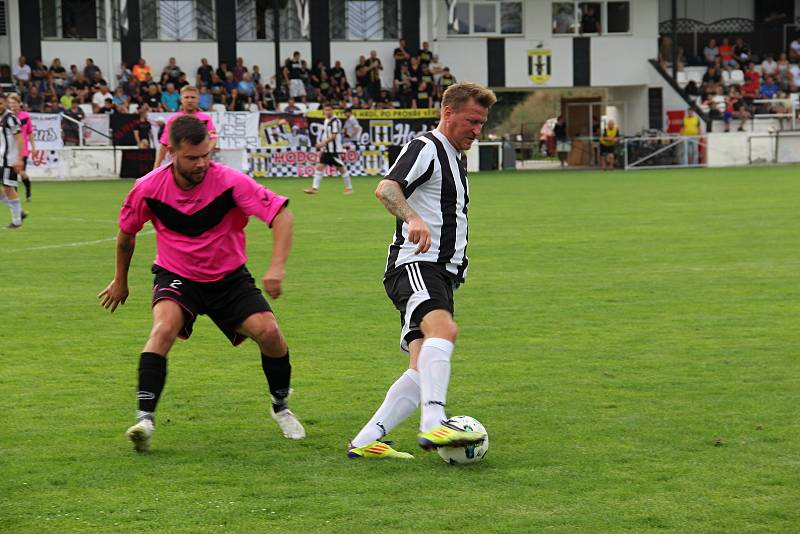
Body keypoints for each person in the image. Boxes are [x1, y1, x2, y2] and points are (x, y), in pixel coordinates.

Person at [98, 115, 305, 452]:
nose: (202, 163)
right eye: (192, 158)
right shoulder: (148, 188)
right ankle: (144, 420)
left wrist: (276, 268)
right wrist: (120, 280)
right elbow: (126, 235)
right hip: (177, 276)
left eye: (206, 155)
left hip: (229, 278)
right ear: (172, 153)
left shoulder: (230, 181)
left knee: (270, 333)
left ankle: (280, 406)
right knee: (163, 329)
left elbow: (282, 215)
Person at [347, 83, 495, 459]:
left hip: (440, 272)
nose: (478, 130)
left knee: (420, 365)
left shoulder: (455, 159)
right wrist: (413, 218)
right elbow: (386, 189)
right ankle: (434, 423)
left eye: (482, 123)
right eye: (472, 121)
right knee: (443, 330)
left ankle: (365, 440)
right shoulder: (426, 147)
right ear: (448, 113)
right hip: (415, 264)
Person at [153, 85, 217, 169]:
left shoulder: (206, 119)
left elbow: (213, 138)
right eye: (186, 97)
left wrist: (205, 152)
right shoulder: (173, 120)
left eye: (193, 97)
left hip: (201, 164)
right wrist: (156, 166)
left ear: (198, 99)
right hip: (179, 165)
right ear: (181, 99)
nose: (189, 100)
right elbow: (164, 143)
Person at [304, 103, 353, 195]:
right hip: (327, 149)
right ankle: (314, 188)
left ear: (332, 110)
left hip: (334, 150)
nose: (327, 112)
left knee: (341, 168)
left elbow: (333, 136)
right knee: (319, 167)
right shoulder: (326, 120)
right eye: (326, 110)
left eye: (329, 110)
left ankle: (349, 189)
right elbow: (326, 135)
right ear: (323, 111)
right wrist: (324, 147)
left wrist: (322, 143)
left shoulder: (336, 121)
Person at [0, 94, 25, 228]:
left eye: (1, 103)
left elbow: (20, 139)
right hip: (0, 159)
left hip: (9, 160)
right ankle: (19, 211)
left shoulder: (11, 119)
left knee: (8, 188)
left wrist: (20, 159)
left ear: (5, 104)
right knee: (4, 189)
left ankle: (17, 221)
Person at [7, 94, 34, 201]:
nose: (12, 105)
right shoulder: (7, 116)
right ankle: (15, 197)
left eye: (14, 103)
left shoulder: (25, 116)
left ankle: (28, 191)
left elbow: (30, 132)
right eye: (10, 103)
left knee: (21, 173)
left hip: (22, 150)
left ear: (19, 104)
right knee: (11, 174)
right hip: (9, 150)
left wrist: (34, 147)